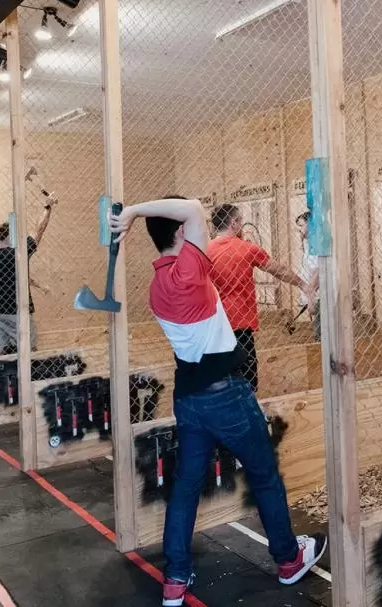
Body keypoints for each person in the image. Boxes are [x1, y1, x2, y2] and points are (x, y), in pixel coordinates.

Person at [109, 197, 326, 606]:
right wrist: (135, 211)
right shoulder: (188, 270)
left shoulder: (158, 285)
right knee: (263, 473)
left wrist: (145, 219)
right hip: (224, 393)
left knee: (187, 485)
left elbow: (189, 214)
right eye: (189, 227)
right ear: (179, 234)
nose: (199, 227)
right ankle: (287, 558)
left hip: (188, 397)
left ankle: (174, 579)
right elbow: (192, 208)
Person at [207, 203, 309, 391]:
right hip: (240, 324)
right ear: (234, 222)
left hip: (214, 323)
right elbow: (278, 270)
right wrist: (303, 284)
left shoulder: (205, 250)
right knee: (247, 379)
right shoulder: (246, 248)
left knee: (220, 379)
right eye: (240, 220)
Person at [0, 195, 56, 354]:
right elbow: (39, 230)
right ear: (13, 236)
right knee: (29, 353)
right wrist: (47, 207)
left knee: (0, 355)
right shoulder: (19, 254)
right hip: (18, 312)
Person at [294, 211, 321, 340]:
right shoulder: (311, 244)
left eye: (301, 225)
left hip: (319, 298)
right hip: (318, 297)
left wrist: (310, 297)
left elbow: (318, 272)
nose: (298, 229)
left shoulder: (315, 245)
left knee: (320, 338)